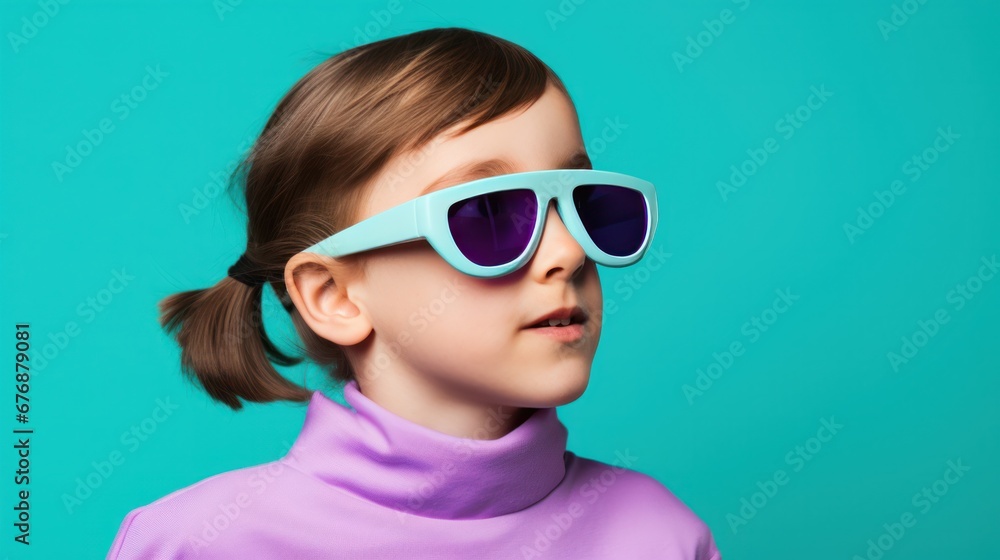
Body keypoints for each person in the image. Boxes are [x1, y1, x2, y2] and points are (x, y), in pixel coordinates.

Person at [106, 26, 722, 559]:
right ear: (334, 296)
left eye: (586, 204)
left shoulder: (662, 537)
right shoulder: (195, 544)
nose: (568, 251)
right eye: (487, 213)